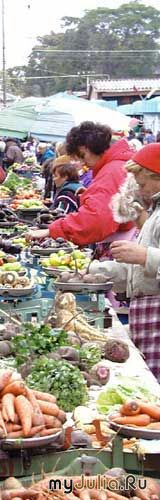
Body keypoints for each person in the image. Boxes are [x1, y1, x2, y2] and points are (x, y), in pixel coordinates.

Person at [90, 144, 160, 381]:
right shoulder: (155, 211)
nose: (140, 190)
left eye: (142, 184)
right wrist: (95, 271)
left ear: (157, 176)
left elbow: (145, 260)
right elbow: (137, 269)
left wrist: (144, 255)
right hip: (146, 313)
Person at [28, 122, 135, 247]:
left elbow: (97, 218)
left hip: (121, 243)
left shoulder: (111, 171)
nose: (83, 163)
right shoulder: (119, 164)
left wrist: (53, 231)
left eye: (82, 156)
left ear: (87, 148)